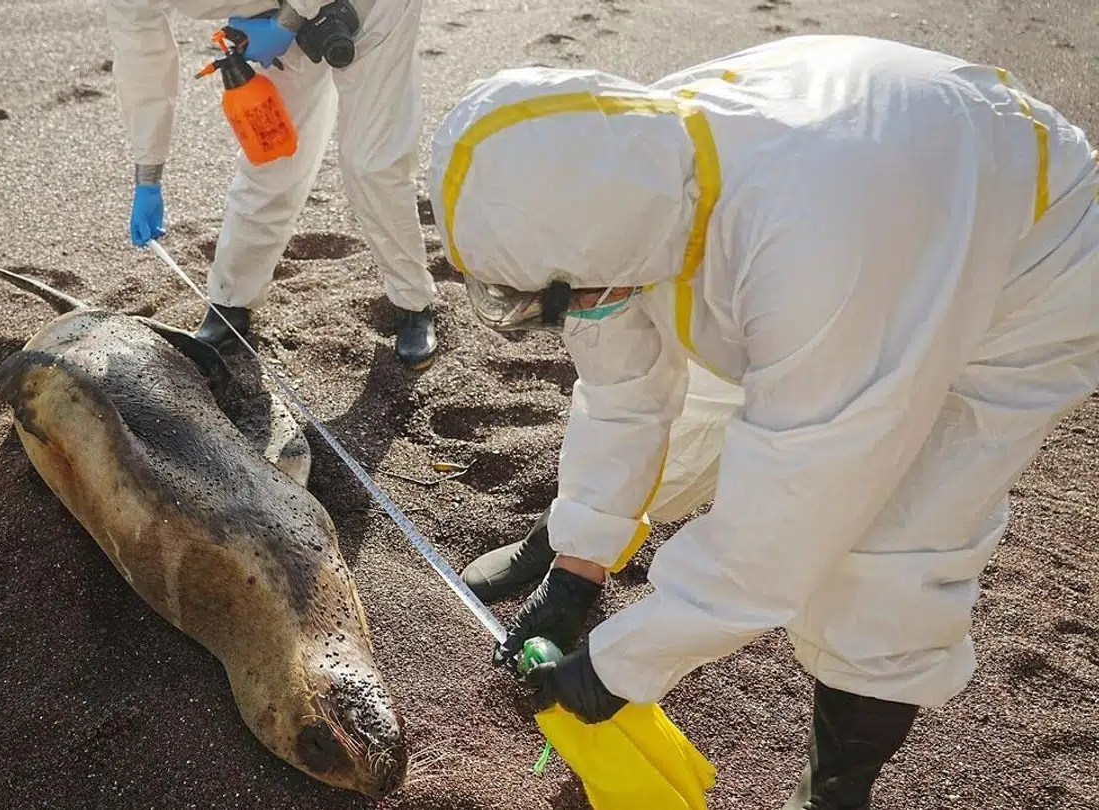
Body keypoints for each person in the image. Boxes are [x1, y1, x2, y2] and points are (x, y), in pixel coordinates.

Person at [427, 34, 1099, 809]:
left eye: (556, 298)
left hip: (1027, 260)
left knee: (892, 548)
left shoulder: (813, 249)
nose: (561, 314)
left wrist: (619, 667)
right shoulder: (616, 175)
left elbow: (787, 517)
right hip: (862, 197)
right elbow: (623, 386)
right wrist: (578, 568)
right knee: (691, 431)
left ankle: (835, 790)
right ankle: (563, 545)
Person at [104, 0, 441, 370]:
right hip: (271, 18)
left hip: (371, 9)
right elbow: (142, 63)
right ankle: (232, 303)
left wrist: (289, 19)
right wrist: (148, 176)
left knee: (371, 165)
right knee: (272, 154)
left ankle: (413, 303)